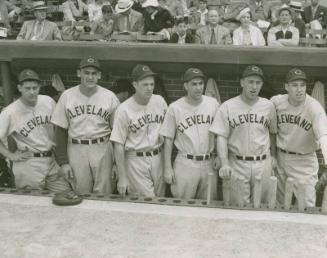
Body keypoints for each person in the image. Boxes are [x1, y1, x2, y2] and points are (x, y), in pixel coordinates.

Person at [0, 69, 74, 196]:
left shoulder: (48, 101)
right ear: (19, 88)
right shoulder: (10, 112)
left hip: (52, 160)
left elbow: (59, 126)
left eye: (35, 88)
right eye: (27, 88)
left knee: (65, 195)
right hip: (29, 163)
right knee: (31, 203)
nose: (32, 92)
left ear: (39, 87)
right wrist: (10, 155)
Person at [209, 65, 277, 205]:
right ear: (242, 83)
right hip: (237, 163)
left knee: (263, 206)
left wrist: (274, 156)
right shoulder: (228, 106)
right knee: (238, 206)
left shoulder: (268, 106)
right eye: (250, 82)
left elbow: (272, 133)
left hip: (263, 163)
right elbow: (221, 137)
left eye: (258, 83)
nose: (254, 86)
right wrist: (224, 163)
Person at [51, 57, 120, 194]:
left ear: (99, 75)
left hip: (103, 148)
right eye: (86, 73)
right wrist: (63, 162)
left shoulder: (109, 97)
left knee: (104, 192)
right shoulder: (67, 96)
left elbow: (118, 133)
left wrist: (116, 164)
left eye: (94, 73)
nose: (90, 77)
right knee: (80, 192)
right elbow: (59, 131)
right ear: (79, 73)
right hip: (76, 148)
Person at [160, 68, 220, 200]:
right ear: (186, 86)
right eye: (194, 84)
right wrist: (167, 167)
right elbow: (168, 139)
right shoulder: (175, 107)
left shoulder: (213, 104)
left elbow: (219, 133)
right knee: (182, 206)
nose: (198, 88)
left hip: (208, 163)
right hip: (185, 163)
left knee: (209, 205)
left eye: (200, 83)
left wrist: (220, 156)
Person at [271, 68, 327, 208]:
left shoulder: (314, 107)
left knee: (306, 205)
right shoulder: (276, 102)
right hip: (281, 158)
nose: (299, 89)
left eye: (302, 85)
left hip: (304, 160)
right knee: (279, 203)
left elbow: (323, 136)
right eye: (295, 85)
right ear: (286, 87)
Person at [110, 64, 167, 197]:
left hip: (158, 157)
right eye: (145, 84)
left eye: (152, 84)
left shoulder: (159, 101)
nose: (149, 88)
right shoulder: (123, 109)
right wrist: (123, 177)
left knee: (161, 200)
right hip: (136, 160)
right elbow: (118, 144)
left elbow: (167, 129)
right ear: (135, 84)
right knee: (147, 202)